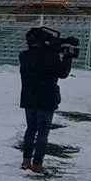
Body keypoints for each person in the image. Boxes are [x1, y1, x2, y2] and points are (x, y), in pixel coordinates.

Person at [19, 26, 77, 172]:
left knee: (31, 129)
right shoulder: (50, 56)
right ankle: (37, 163)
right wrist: (67, 58)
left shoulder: (24, 56)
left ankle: (26, 161)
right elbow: (63, 73)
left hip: (29, 98)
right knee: (43, 132)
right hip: (46, 98)